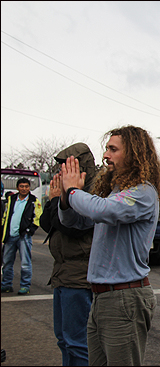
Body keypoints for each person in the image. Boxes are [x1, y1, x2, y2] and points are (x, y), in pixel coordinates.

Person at [58, 125, 160, 366]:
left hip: (124, 299)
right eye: (106, 148)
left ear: (133, 154)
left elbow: (103, 210)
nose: (105, 155)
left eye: (113, 149)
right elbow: (74, 221)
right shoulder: (114, 193)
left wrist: (73, 190)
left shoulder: (143, 192)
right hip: (101, 298)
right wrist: (65, 199)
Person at [39, 142, 96, 366]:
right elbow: (47, 224)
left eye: (67, 166)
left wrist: (58, 200)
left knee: (77, 342)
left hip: (79, 276)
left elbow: (72, 226)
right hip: (62, 273)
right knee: (64, 340)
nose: (62, 171)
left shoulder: (91, 192)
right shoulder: (66, 189)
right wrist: (54, 200)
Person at [1, 178, 43, 295]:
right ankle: (6, 284)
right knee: (7, 262)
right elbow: (6, 215)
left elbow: (38, 218)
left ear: (29, 188)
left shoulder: (33, 201)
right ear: (17, 188)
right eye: (21, 186)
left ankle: (25, 286)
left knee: (25, 263)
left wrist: (29, 231)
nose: (24, 188)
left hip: (24, 236)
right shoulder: (11, 199)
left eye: (26, 186)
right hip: (10, 235)